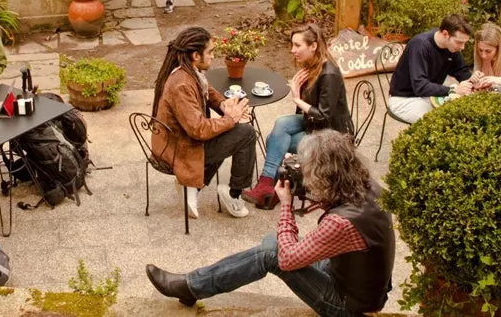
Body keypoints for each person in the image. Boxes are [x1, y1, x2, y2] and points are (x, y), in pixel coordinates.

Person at [145, 130, 395, 316]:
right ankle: (193, 285)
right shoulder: (368, 187)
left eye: (309, 170)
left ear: (327, 173)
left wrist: (286, 203)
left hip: (345, 305)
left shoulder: (342, 222)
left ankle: (190, 286)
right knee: (272, 244)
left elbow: (286, 260)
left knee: (272, 252)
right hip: (361, 287)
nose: (306, 176)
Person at [243, 24, 351, 210]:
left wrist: (296, 97)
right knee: (281, 125)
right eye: (291, 45)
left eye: (297, 45)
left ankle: (269, 187)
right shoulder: (311, 67)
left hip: (332, 134)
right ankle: (268, 186)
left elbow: (324, 117)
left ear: (313, 46)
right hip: (313, 124)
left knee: (274, 139)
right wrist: (300, 96)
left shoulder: (329, 74)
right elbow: (306, 113)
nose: (292, 50)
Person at [151, 26, 254, 218]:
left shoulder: (189, 72)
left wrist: (224, 105)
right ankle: (233, 194)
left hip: (180, 141)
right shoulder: (181, 84)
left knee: (231, 132)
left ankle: (195, 186)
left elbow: (208, 91)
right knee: (245, 134)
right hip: (178, 151)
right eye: (210, 52)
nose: (213, 56)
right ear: (195, 55)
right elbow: (199, 130)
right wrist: (230, 119)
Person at [386, 14, 474, 124]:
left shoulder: (451, 47)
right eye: (459, 42)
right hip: (403, 99)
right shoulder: (420, 46)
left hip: (429, 97)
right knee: (446, 122)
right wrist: (452, 90)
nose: (462, 47)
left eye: (465, 43)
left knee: (462, 113)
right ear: (445, 34)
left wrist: (475, 82)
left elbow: (461, 71)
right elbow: (420, 86)